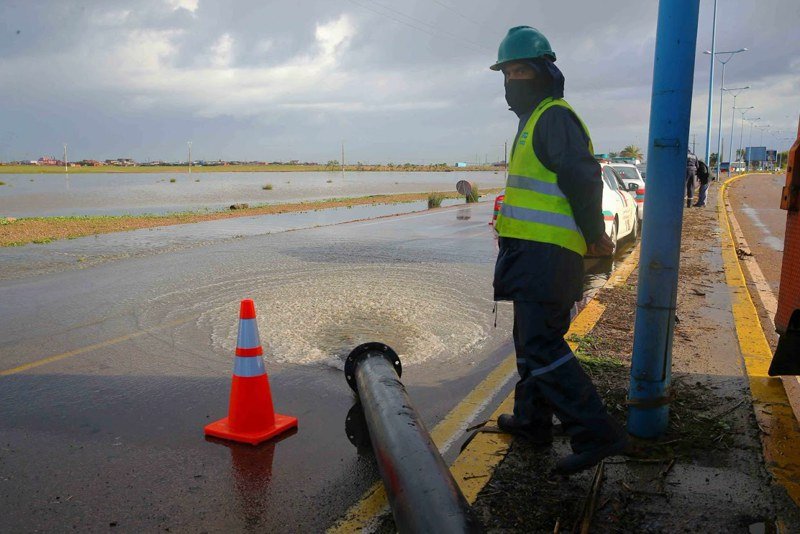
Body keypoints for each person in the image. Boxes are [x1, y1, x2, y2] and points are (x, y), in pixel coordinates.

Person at [490, 26, 628, 475]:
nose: (514, 79)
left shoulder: (553, 116)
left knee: (541, 343)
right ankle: (533, 421)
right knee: (527, 343)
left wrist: (593, 233)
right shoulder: (532, 124)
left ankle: (596, 432)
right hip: (529, 253)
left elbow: (583, 176)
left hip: (548, 255)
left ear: (546, 72)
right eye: (508, 72)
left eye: (522, 69)